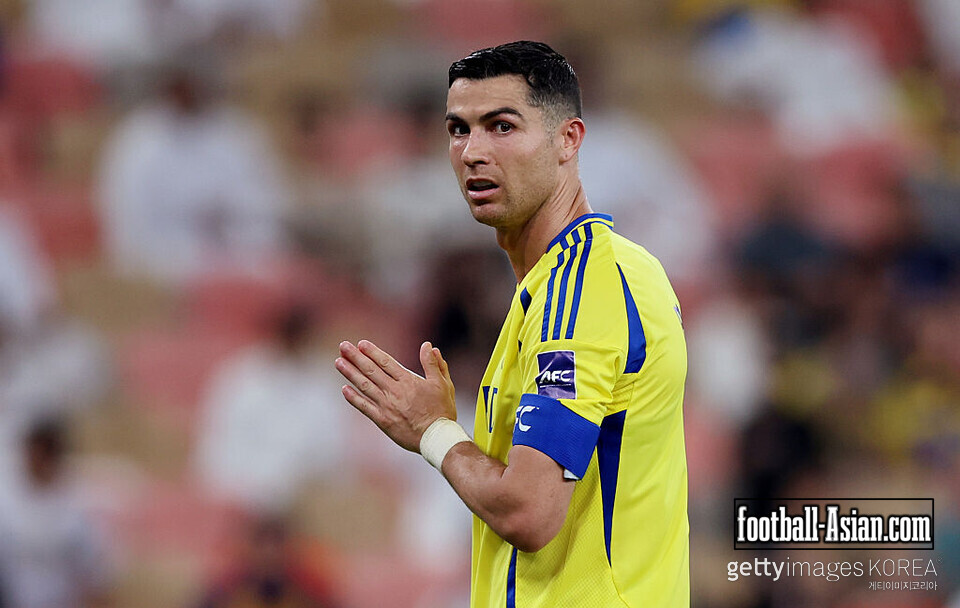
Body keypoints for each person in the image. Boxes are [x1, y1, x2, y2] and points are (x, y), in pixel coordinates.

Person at [335, 41, 689, 607]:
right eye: (459, 130)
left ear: (568, 140)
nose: (473, 151)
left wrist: (433, 432)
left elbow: (529, 510)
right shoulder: (585, 276)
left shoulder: (580, 290)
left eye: (501, 126)